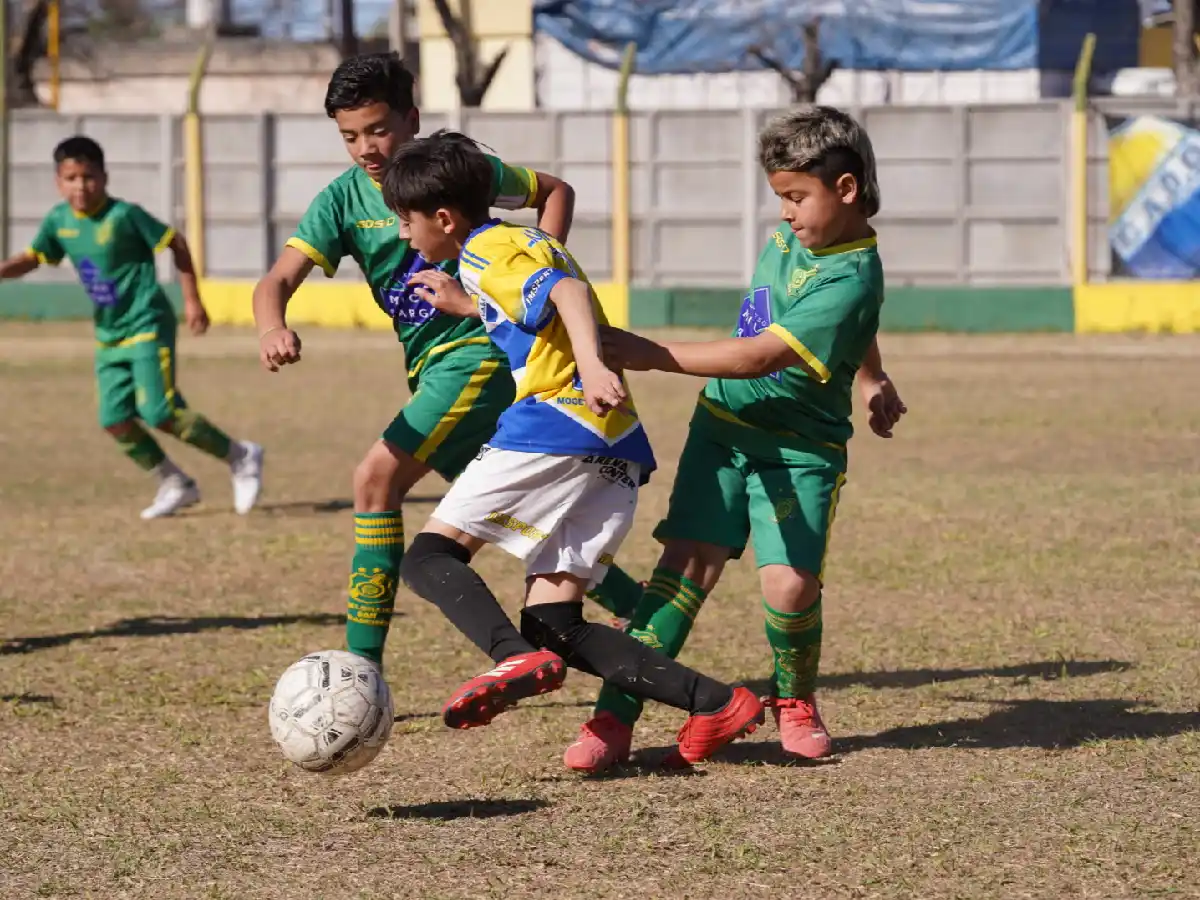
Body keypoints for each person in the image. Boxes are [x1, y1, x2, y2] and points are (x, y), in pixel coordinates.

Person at [383, 130, 765, 766]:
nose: (403, 235)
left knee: (426, 557)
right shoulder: (521, 240)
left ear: (444, 219)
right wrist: (474, 307)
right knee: (555, 624)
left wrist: (589, 364)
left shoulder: (484, 251)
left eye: (406, 221)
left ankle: (511, 659)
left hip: (555, 426)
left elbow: (568, 295)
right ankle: (717, 703)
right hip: (612, 444)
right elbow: (547, 295)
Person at [563, 105, 908, 773]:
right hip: (722, 429)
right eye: (779, 197)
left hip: (800, 450)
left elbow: (762, 355)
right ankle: (615, 713)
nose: (784, 214)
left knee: (789, 587)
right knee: (682, 572)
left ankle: (796, 698)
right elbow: (848, 330)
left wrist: (650, 352)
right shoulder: (803, 237)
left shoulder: (854, 276)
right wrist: (872, 376)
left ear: (847, 189)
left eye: (795, 197)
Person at [252, 52, 599, 668]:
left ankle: (360, 669)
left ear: (411, 118)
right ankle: (639, 607)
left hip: (477, 355)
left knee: (374, 479)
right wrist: (272, 325)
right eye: (349, 136)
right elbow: (276, 279)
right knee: (519, 514)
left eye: (378, 129)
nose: (366, 148)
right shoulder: (340, 201)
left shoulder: (452, 173)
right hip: (433, 369)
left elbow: (554, 190)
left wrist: (533, 273)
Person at [0, 135, 263, 519]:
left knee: (159, 411)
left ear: (104, 177)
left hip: (146, 322)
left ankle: (241, 455)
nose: (80, 186)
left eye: (88, 177)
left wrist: (192, 300)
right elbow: (33, 258)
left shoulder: (124, 215)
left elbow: (177, 243)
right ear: (58, 181)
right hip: (109, 333)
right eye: (71, 178)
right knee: (114, 418)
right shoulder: (59, 221)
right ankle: (176, 483)